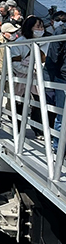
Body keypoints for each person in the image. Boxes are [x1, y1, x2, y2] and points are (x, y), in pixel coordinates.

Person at [45, 11, 66, 152]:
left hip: (62, 76)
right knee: (61, 113)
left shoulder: (60, 30)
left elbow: (52, 56)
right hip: (62, 75)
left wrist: (50, 79)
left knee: (62, 113)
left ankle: (58, 147)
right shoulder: (61, 30)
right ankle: (58, 145)